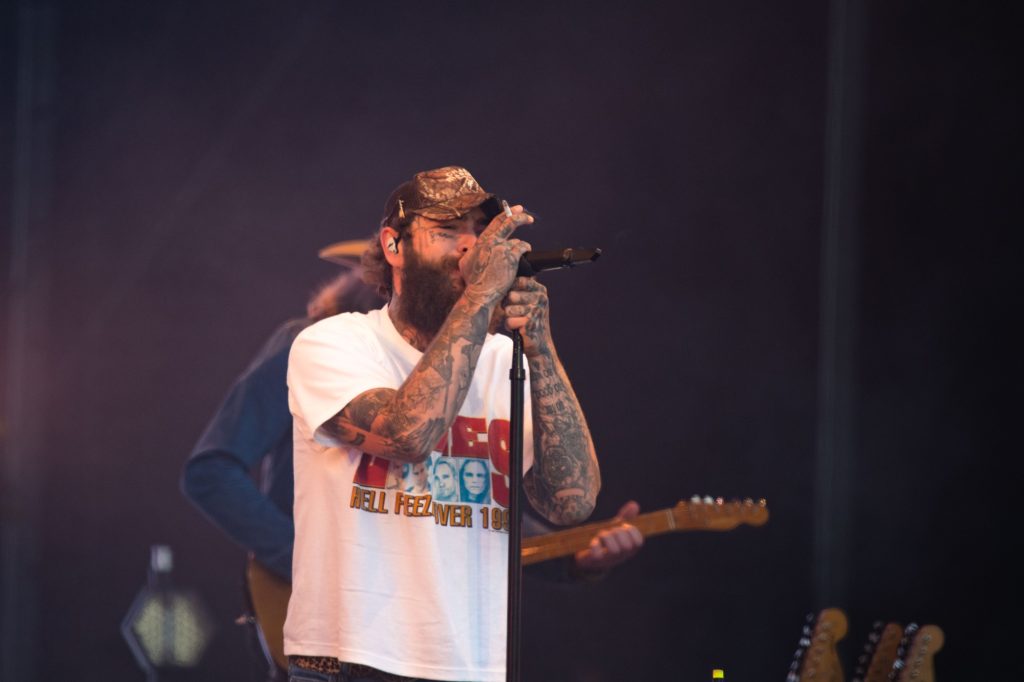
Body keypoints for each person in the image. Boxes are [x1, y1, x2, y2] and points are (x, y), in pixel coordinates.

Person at [283, 166, 615, 682]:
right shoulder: (332, 344)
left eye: (477, 232)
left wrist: (541, 345)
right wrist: (481, 297)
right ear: (394, 246)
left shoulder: (506, 358)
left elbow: (570, 501)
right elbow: (407, 435)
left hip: (472, 663)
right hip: (351, 659)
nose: (469, 248)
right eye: (445, 232)